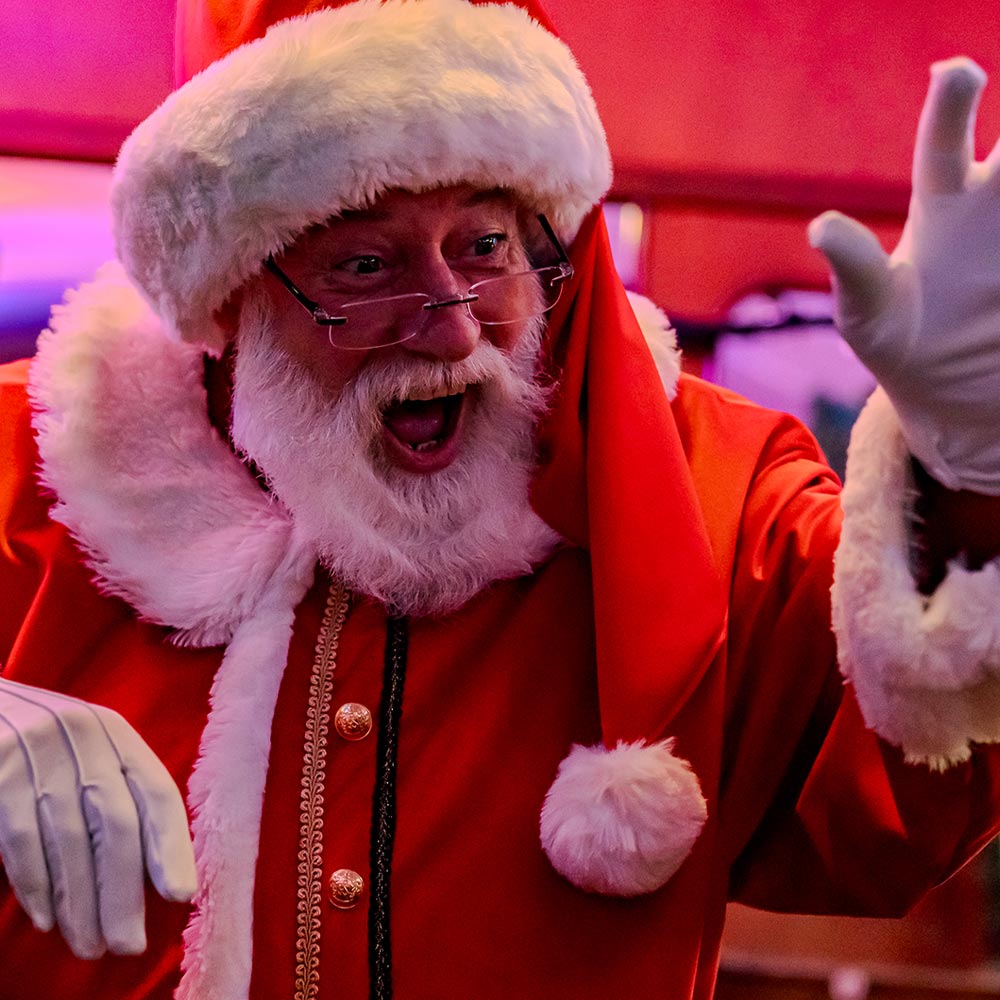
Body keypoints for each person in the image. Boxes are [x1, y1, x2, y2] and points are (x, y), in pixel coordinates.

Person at [2, 0, 1000, 997]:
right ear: (231, 297)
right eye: (364, 265)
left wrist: (969, 474)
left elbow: (905, 791)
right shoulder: (30, 469)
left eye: (483, 248)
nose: (447, 333)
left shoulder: (716, 492)